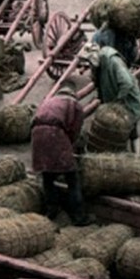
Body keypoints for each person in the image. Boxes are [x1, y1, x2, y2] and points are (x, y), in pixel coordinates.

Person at [31, 75, 93, 226]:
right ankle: (79, 217)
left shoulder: (47, 100)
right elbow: (74, 132)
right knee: (72, 177)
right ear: (72, 92)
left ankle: (52, 210)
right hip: (54, 133)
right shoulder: (74, 104)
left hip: (36, 134)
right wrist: (71, 148)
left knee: (48, 175)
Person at [81, 41, 140, 155]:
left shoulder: (114, 62)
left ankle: (137, 157)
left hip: (127, 99)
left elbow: (127, 83)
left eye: (89, 60)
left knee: (132, 129)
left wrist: (118, 101)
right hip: (113, 97)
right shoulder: (99, 64)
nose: (89, 63)